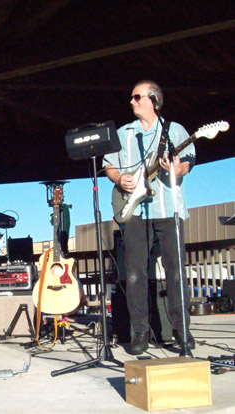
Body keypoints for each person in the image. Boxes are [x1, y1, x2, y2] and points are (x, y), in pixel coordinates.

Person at [103, 80, 196, 355]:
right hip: (135, 212)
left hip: (168, 210)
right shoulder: (123, 133)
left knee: (175, 271)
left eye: (137, 97)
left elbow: (186, 164)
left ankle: (181, 329)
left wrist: (176, 170)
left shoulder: (175, 130)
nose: (131, 101)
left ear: (153, 100)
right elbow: (110, 166)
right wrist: (120, 178)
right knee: (134, 273)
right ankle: (140, 331)